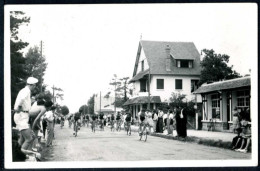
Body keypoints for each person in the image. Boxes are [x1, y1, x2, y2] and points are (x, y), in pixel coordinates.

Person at [13, 77, 41, 159]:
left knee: (21, 139)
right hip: (22, 115)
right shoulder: (27, 91)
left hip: (22, 115)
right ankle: (21, 156)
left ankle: (17, 154)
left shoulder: (24, 90)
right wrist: (18, 107)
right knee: (29, 138)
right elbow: (21, 100)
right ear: (32, 85)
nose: (35, 87)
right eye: (35, 85)